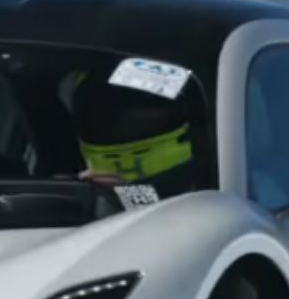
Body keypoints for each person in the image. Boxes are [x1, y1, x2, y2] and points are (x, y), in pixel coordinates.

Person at [69, 74, 199, 207]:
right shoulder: (86, 195)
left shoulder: (213, 168)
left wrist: (128, 198)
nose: (121, 124)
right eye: (107, 117)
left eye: (147, 105)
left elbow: (181, 212)